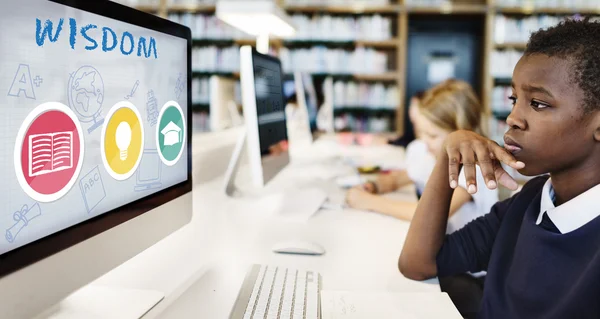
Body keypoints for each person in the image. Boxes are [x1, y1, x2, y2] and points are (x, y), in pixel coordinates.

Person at [399, 18, 600, 319]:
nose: (513, 118)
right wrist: (447, 158)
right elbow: (418, 264)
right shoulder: (530, 200)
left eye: (538, 104)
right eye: (514, 99)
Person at [345, 79, 497, 234]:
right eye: (421, 132)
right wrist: (374, 186)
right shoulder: (431, 154)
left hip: (470, 254)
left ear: (461, 133)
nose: (424, 141)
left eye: (432, 135)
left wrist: (369, 202)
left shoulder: (474, 169)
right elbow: (398, 179)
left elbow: (429, 216)